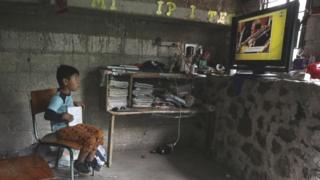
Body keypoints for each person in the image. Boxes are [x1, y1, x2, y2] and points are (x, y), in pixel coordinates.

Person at [44, 65, 104, 174]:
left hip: (73, 127)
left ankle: (89, 160)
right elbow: (48, 114)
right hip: (62, 130)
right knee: (90, 138)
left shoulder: (67, 95)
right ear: (66, 81)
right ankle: (79, 162)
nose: (78, 82)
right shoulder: (58, 98)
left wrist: (74, 104)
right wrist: (62, 116)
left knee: (98, 133)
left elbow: (65, 104)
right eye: (76, 79)